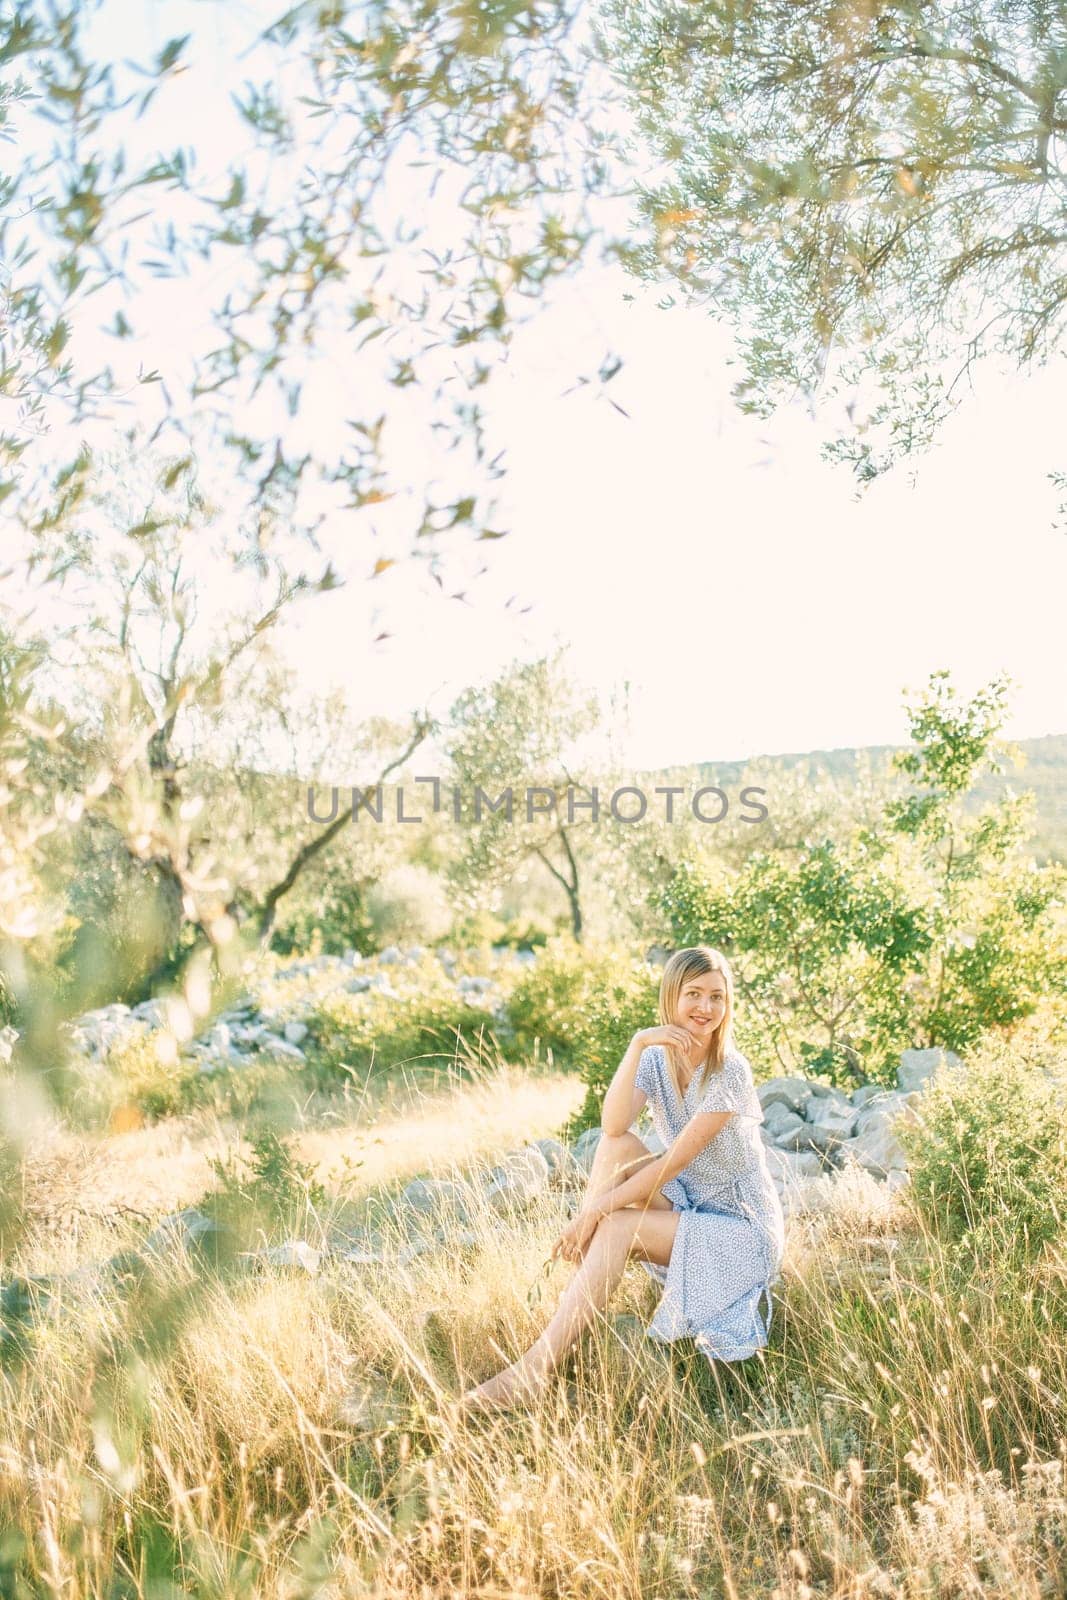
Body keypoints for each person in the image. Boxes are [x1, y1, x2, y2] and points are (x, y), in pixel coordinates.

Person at [452, 945, 785, 1417]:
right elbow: (613, 1125)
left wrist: (594, 1210)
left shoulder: (729, 1072)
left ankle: (534, 1371)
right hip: (693, 1208)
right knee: (615, 1146)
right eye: (693, 994)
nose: (705, 1008)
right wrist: (637, 1045)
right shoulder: (657, 1059)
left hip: (741, 1232)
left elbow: (670, 1165)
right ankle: (580, 1286)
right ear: (671, 998)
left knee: (616, 1224)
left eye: (717, 996)